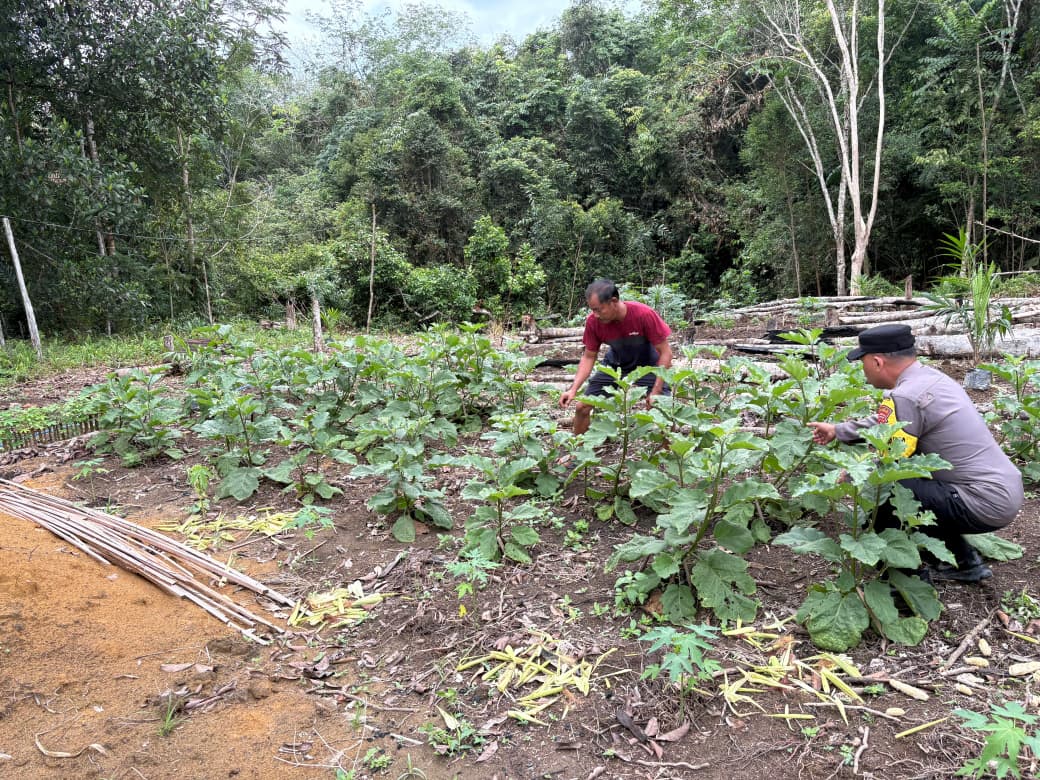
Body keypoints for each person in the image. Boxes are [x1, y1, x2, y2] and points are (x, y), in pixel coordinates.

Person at [808, 323, 1023, 583]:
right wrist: (838, 430)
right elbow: (890, 423)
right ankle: (966, 563)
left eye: (862, 361)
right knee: (919, 490)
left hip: (981, 501)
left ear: (877, 362)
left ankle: (907, 581)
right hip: (1001, 491)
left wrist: (851, 475)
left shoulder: (907, 396)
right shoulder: (930, 379)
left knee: (890, 490)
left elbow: (892, 459)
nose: (861, 368)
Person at [559, 279, 673, 435]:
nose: (595, 315)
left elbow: (666, 352)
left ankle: (668, 455)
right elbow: (588, 357)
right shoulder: (593, 322)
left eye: (599, 309)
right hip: (615, 365)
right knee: (582, 407)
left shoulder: (643, 314)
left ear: (614, 301)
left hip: (648, 365)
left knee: (662, 407)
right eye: (593, 310)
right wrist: (573, 390)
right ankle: (578, 454)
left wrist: (656, 390)